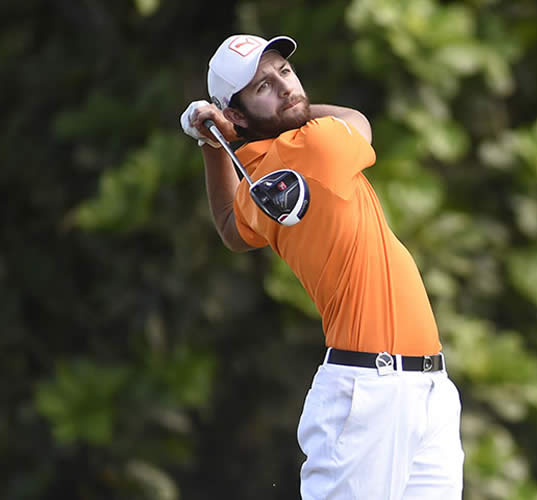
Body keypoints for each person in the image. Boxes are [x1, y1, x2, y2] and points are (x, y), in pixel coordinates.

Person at [179, 34, 464, 500]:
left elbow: (231, 227)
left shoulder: (257, 174)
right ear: (237, 114)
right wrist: (229, 136)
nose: (286, 87)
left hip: (425, 388)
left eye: (284, 73)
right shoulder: (318, 145)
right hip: (369, 392)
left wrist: (213, 145)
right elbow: (357, 121)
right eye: (262, 88)